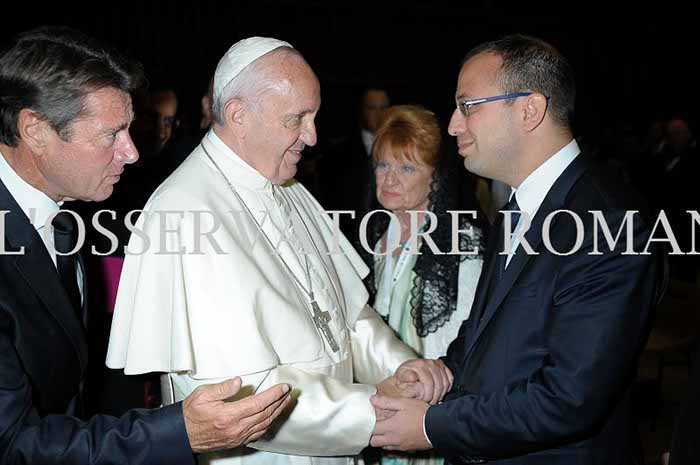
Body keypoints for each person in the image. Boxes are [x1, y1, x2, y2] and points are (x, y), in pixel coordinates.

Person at [106, 37, 452, 465]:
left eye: (314, 116)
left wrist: (402, 369)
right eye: (297, 119)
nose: (312, 136)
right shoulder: (184, 211)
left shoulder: (288, 189)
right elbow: (244, 398)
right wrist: (380, 412)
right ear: (238, 115)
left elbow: (345, 316)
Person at [0, 26, 294, 464]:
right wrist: (178, 433)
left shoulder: (60, 211)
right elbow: (13, 444)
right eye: (111, 134)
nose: (132, 152)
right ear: (36, 130)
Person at [370, 34, 665, 464]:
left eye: (468, 106)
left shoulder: (609, 220)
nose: (453, 124)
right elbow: (487, 332)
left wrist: (432, 427)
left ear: (529, 109)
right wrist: (442, 371)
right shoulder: (519, 206)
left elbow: (570, 398)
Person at [362, 105, 484, 465]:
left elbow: (466, 348)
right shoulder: (376, 239)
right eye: (383, 165)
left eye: (407, 167)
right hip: (381, 409)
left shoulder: (461, 245)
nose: (389, 179)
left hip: (433, 416)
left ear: (436, 176)